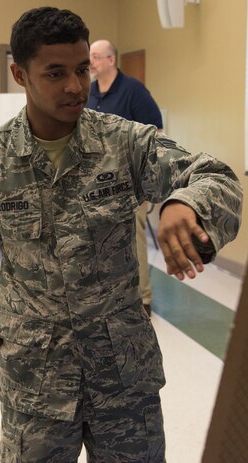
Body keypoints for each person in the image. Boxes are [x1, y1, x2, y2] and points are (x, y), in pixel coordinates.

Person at [0, 7, 242, 462]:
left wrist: (185, 202)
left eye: (81, 70)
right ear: (20, 74)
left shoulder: (125, 143)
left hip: (124, 381)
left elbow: (216, 177)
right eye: (55, 73)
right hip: (35, 385)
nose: (74, 86)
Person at [87, 39, 164, 316]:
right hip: (95, 182)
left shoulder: (133, 91)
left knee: (133, 237)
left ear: (110, 60)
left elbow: (156, 131)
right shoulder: (90, 92)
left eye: (96, 57)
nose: (91, 63)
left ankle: (142, 299)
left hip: (131, 180)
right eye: (90, 57)